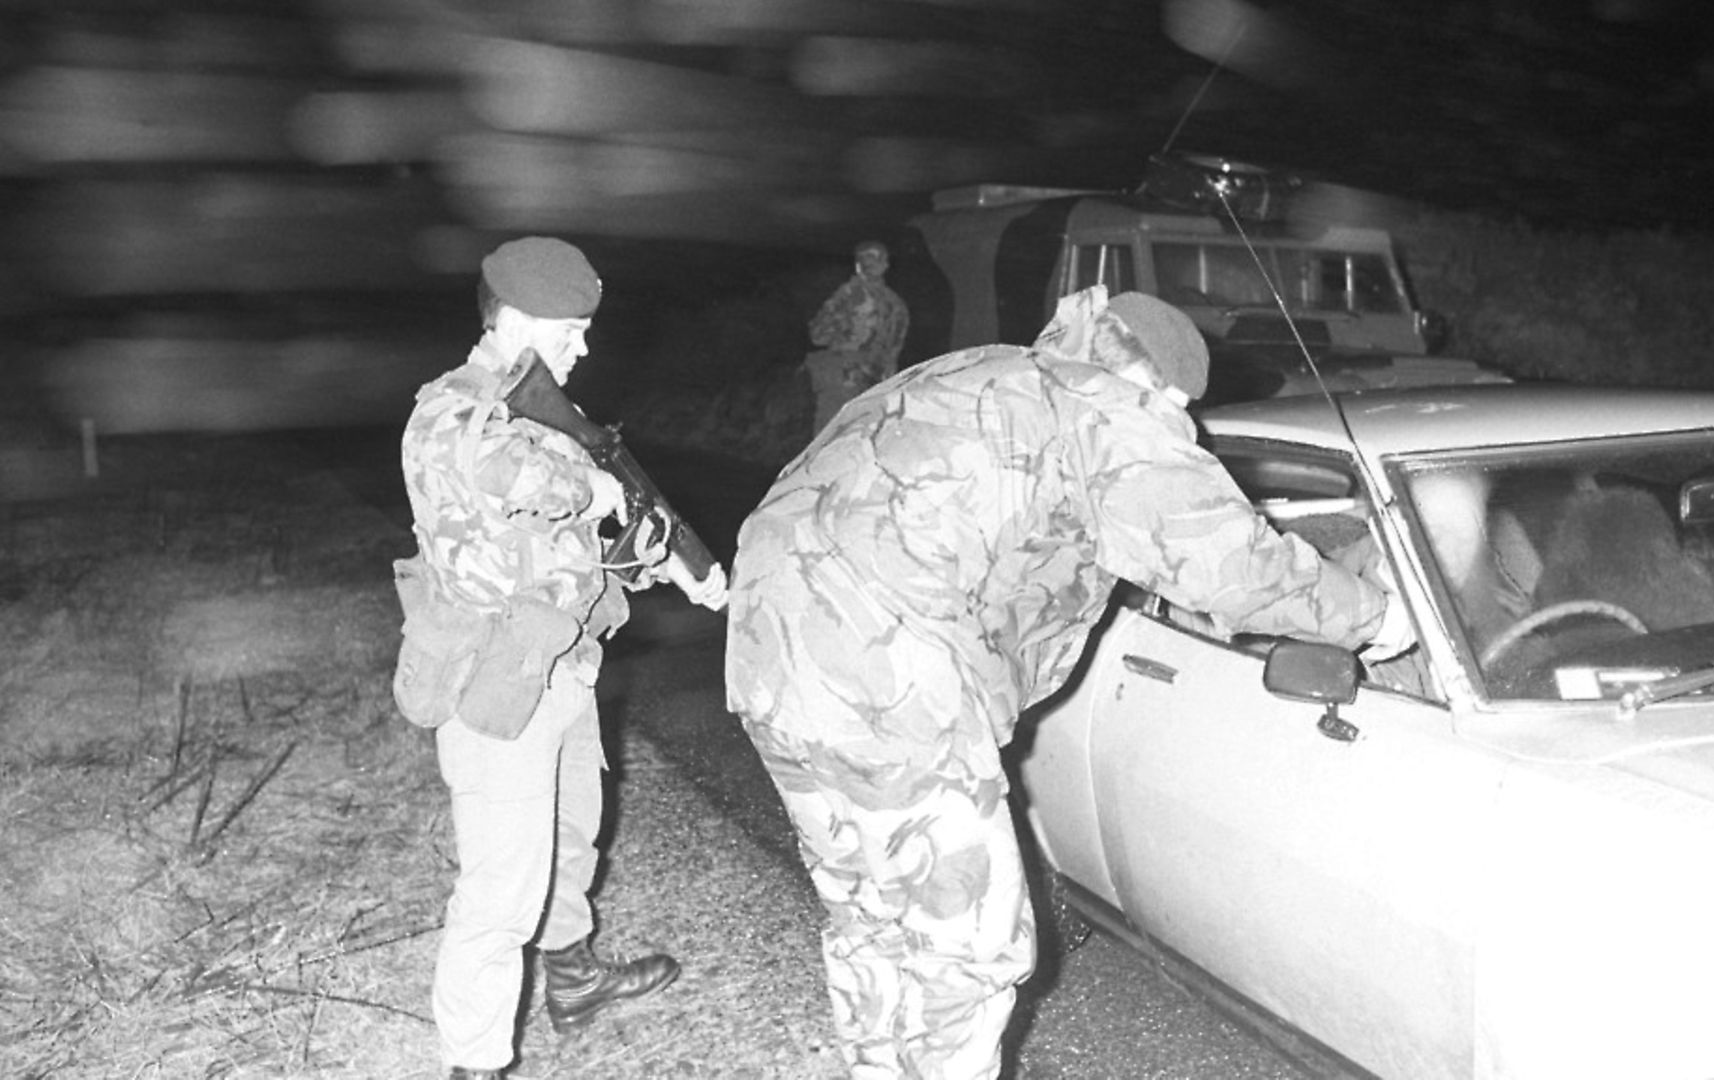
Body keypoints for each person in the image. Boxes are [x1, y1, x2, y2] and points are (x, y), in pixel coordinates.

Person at [724, 286, 1414, 1079]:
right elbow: (1233, 566)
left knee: (874, 911)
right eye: (1177, 412)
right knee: (969, 949)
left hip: (769, 653)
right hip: (887, 681)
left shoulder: (986, 370)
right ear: (1155, 388)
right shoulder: (1107, 410)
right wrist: (1373, 616)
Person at [393, 236, 727, 1080]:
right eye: (568, 331)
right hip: (494, 681)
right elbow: (512, 476)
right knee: (499, 895)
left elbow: (578, 544)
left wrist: (675, 564)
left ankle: (573, 980)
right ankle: (474, 1063)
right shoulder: (452, 412)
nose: (583, 349)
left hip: (563, 662)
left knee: (573, 836)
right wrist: (596, 482)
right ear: (510, 322)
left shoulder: (545, 417)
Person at [803, 239, 909, 434]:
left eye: (872, 258)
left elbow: (818, 335)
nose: (868, 263)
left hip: (849, 379)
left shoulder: (849, 294)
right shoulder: (896, 304)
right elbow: (894, 352)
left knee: (832, 438)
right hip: (868, 381)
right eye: (864, 258)